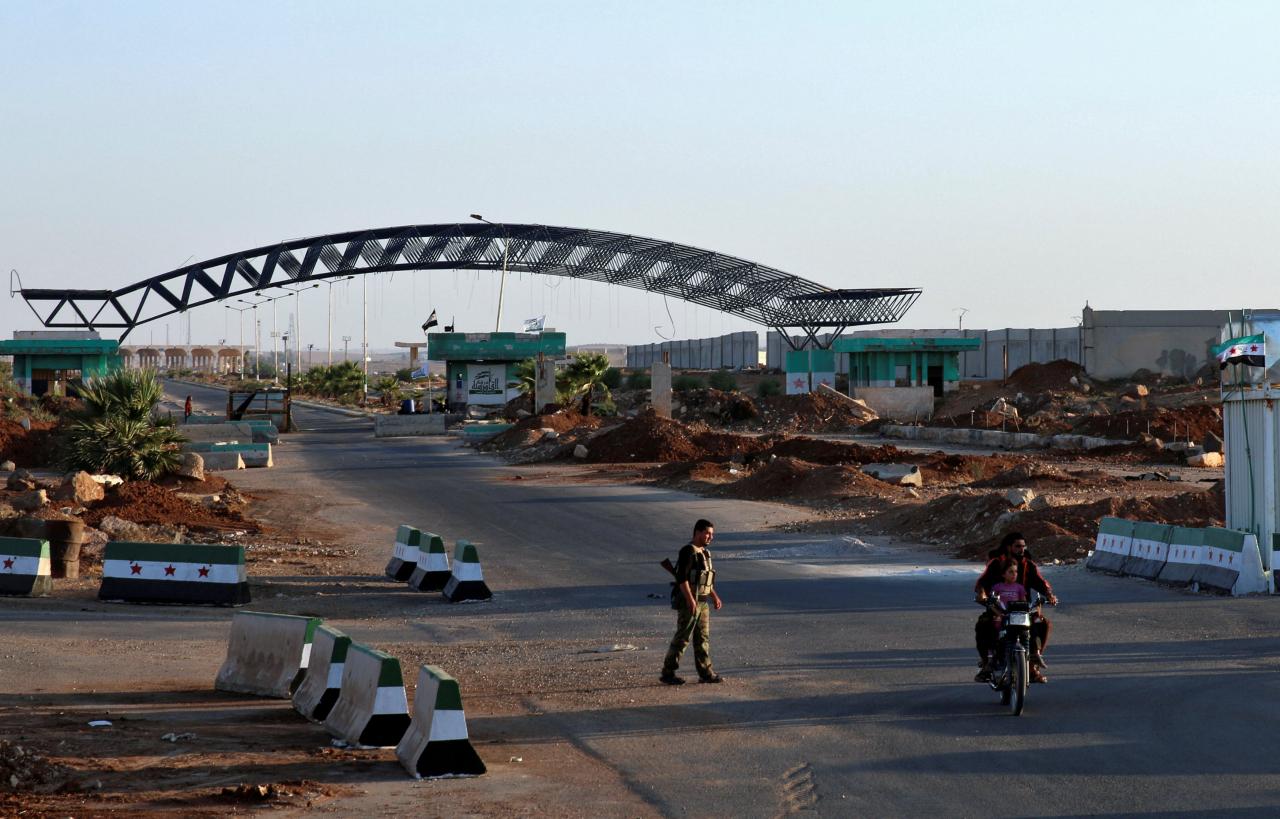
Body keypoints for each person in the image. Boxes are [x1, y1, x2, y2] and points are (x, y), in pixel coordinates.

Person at [973, 532, 1058, 684]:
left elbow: (1041, 583)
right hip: (999, 610)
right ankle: (987, 663)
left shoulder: (1028, 565)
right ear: (1009, 547)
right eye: (1018, 546)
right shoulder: (996, 563)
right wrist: (982, 595)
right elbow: (982, 583)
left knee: (1043, 624)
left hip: (1023, 610)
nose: (1022, 549)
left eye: (1023, 546)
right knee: (983, 625)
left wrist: (1049, 594)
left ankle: (1032, 665)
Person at [660, 519, 724, 685]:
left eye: (712, 534)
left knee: (702, 639)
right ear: (697, 532)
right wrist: (690, 600)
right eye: (707, 533)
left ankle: (706, 673)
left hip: (702, 602)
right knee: (683, 638)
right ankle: (668, 673)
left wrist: (715, 597)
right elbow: (682, 578)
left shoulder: (704, 553)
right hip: (690, 601)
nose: (710, 537)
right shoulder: (688, 551)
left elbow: (706, 581)